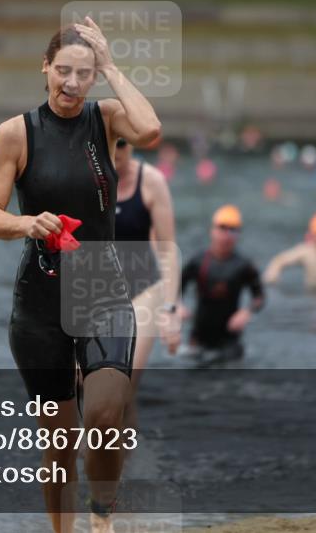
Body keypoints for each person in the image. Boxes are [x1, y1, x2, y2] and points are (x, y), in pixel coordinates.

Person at [0, 18, 161, 533]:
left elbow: (149, 129)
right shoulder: (15, 134)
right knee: (58, 447)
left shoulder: (104, 120)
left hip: (99, 287)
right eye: (63, 71)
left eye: (84, 74)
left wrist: (111, 66)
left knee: (105, 416)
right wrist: (26, 222)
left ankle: (102, 517)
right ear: (45, 68)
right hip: (38, 302)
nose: (72, 83)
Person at [112, 136, 181, 433]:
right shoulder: (85, 177)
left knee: (123, 385)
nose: (116, 152)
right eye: (110, 143)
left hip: (143, 291)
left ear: (134, 144)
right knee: (81, 384)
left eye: (123, 144)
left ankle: (122, 467)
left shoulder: (151, 181)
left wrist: (170, 308)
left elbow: (168, 251)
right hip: (94, 291)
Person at [179, 205, 264, 366]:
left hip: (230, 340)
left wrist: (247, 312)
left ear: (238, 235)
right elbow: (175, 287)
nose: (226, 235)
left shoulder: (244, 265)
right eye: (222, 228)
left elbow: (259, 296)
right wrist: (178, 305)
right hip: (198, 338)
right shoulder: (198, 261)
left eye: (233, 230)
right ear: (213, 230)